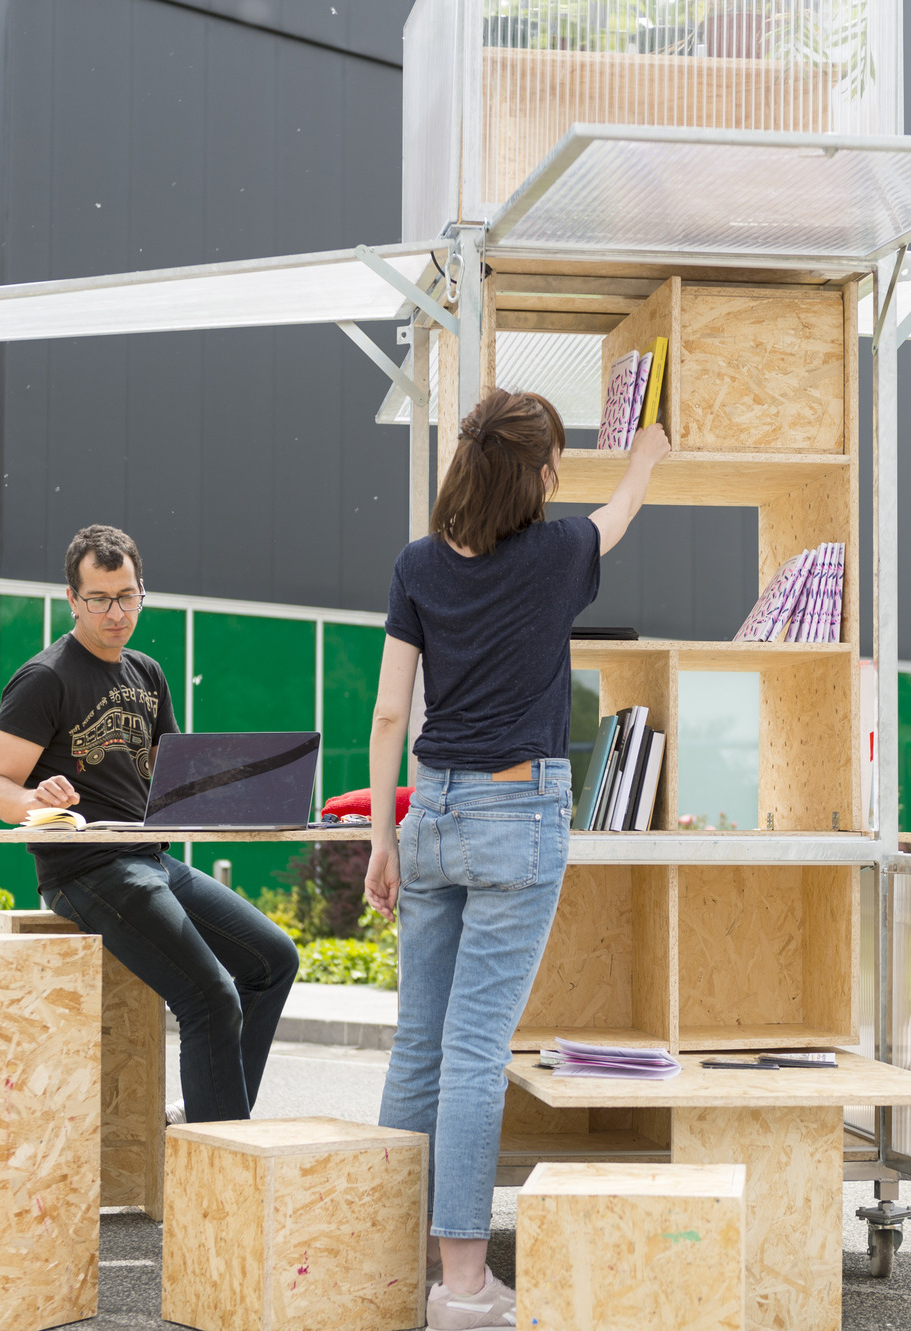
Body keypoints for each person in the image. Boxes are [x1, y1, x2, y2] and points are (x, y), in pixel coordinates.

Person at [364, 390, 668, 1330]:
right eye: (555, 464)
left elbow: (387, 713)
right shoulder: (555, 554)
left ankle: (381, 1253)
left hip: (434, 806)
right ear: (536, 473)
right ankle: (462, 1284)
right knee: (472, 1049)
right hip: (515, 809)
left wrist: (383, 834)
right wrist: (646, 458)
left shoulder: (417, 565)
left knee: (420, 1037)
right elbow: (614, 520)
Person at [0, 524, 297, 1122]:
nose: (116, 613)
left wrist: (241, 791)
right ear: (71, 599)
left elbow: (172, 776)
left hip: (151, 860)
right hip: (88, 870)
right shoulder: (45, 678)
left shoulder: (147, 674)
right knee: (208, 996)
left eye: (127, 596)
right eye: (99, 599)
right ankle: (221, 1148)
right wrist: (34, 801)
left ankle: (216, 1117)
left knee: (273, 960)